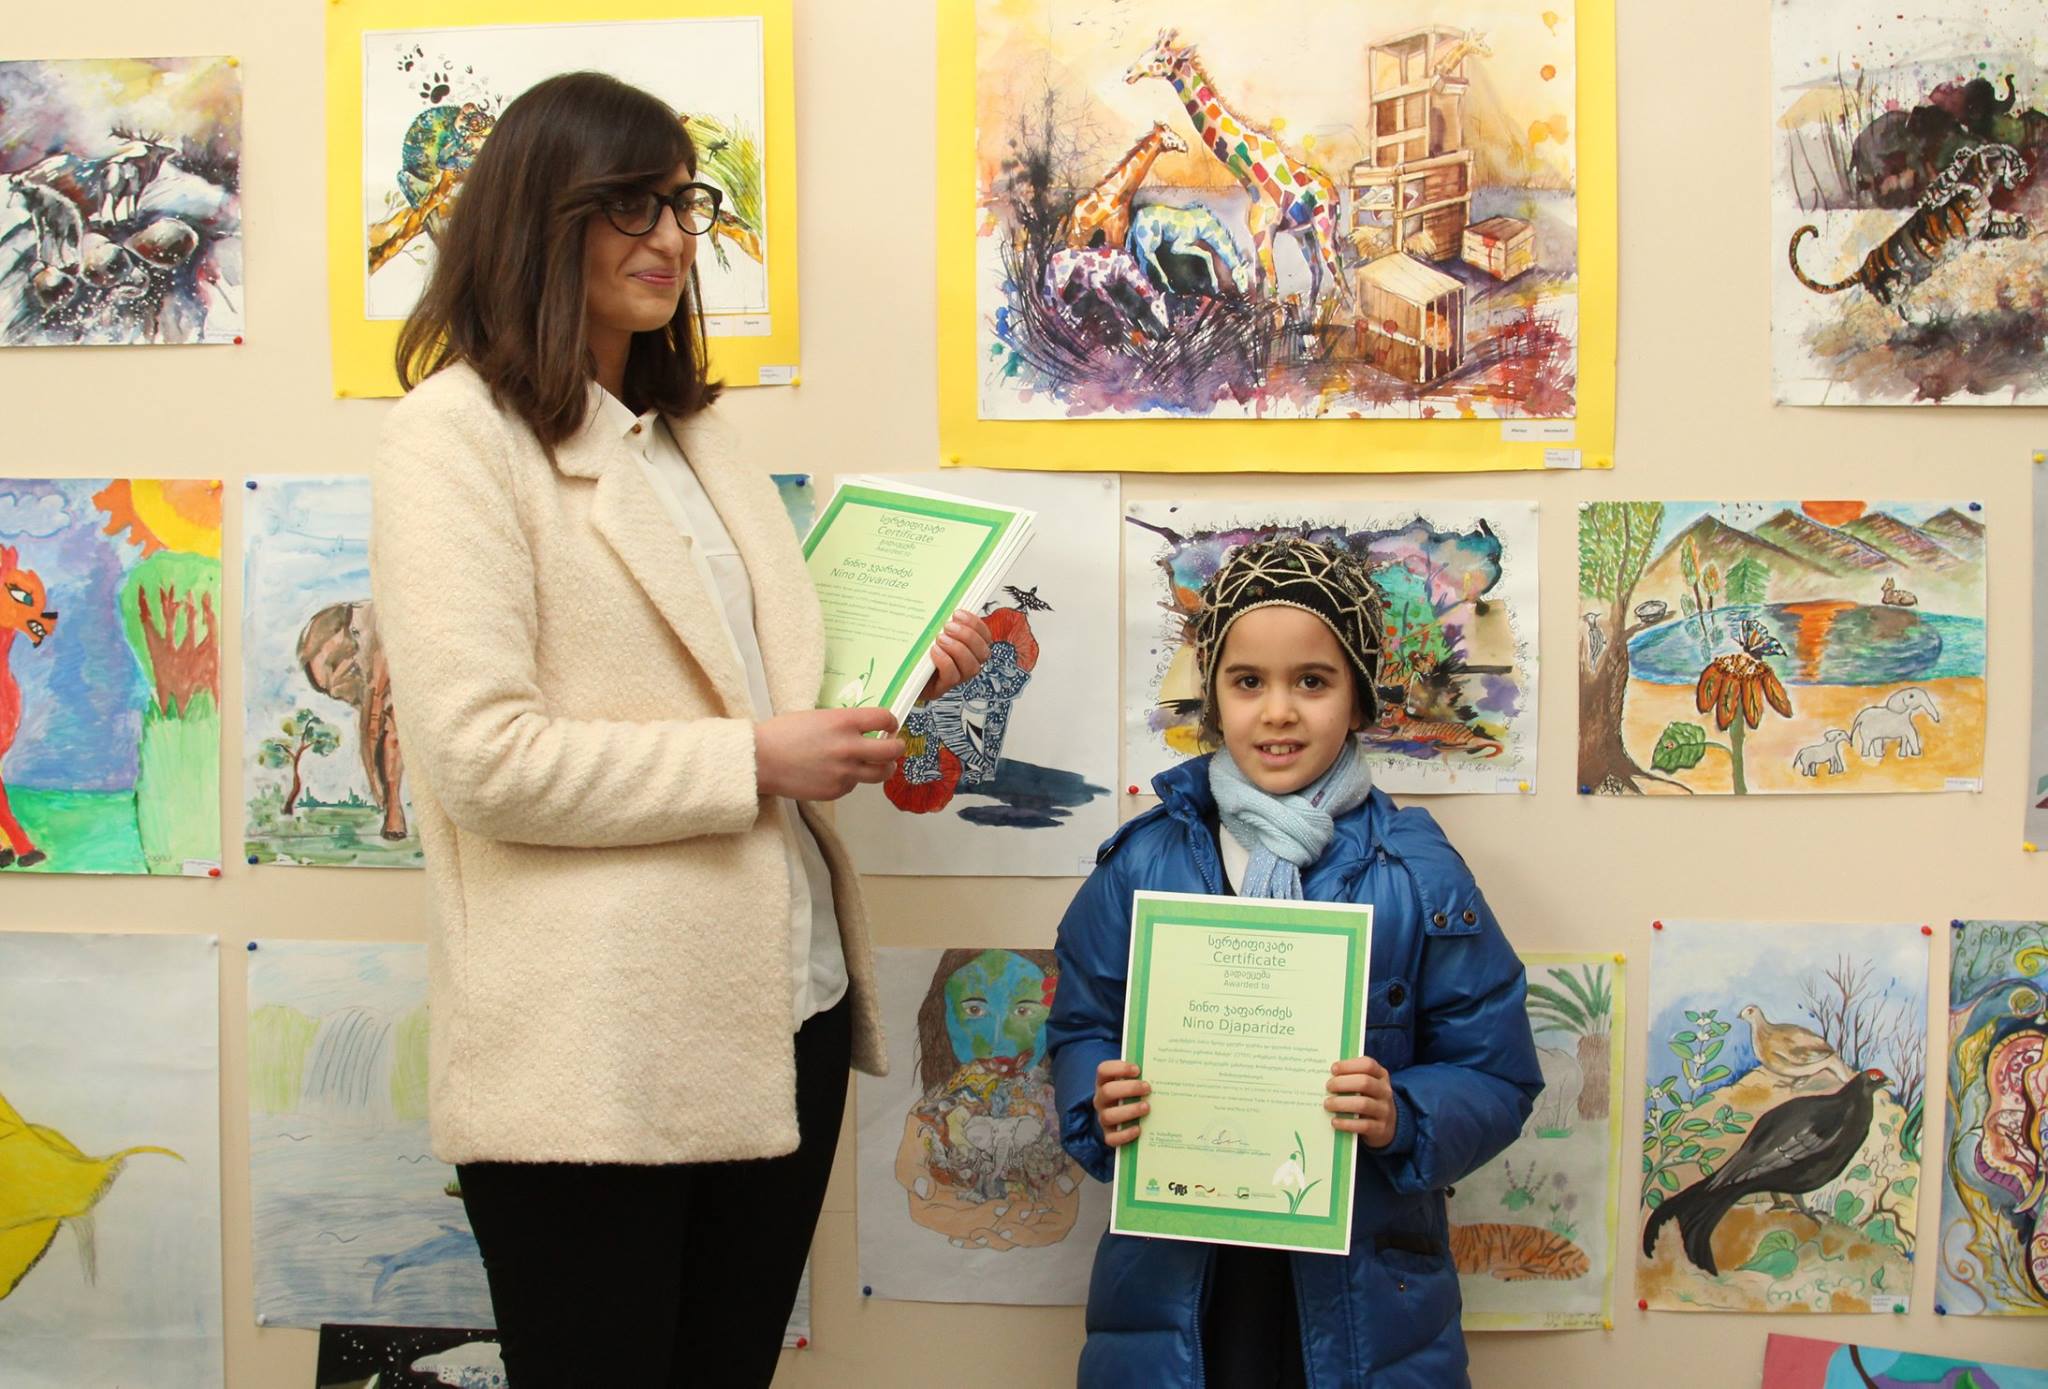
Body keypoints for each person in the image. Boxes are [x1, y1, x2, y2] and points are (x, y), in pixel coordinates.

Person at [368, 71, 990, 1386]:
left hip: (785, 1005)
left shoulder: (696, 435)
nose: (670, 237)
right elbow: (482, 760)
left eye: (681, 203)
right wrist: (759, 758)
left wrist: (895, 675)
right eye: (630, 205)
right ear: (539, 217)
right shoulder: (452, 437)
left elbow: (763, 689)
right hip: (595, 1047)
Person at [1046, 537, 1542, 1388]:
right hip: (1180, 1282)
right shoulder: (1143, 863)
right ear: (1213, 695)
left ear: (1358, 696)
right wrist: (1097, 1094)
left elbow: (1497, 1073)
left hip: (1362, 1294)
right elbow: (1080, 1025)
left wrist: (1404, 1113)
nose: (1278, 711)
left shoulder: (1417, 872)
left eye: (1312, 681)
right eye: (1248, 681)